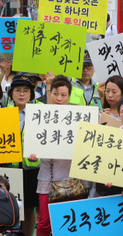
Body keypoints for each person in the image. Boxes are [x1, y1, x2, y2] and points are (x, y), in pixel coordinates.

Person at [28, 75, 87, 236]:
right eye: (55, 93)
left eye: (63, 94)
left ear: (69, 96)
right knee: (44, 223)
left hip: (73, 176)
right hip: (48, 176)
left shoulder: (78, 116)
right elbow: (33, 144)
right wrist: (33, 156)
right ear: (50, 93)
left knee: (73, 223)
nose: (59, 98)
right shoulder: (40, 115)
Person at [7, 75, 40, 236]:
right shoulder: (4, 113)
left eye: (26, 91)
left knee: (29, 208)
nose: (21, 94)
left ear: (31, 94)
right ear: (11, 93)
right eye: (18, 90)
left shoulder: (39, 112)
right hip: (10, 167)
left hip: (31, 168)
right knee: (11, 208)